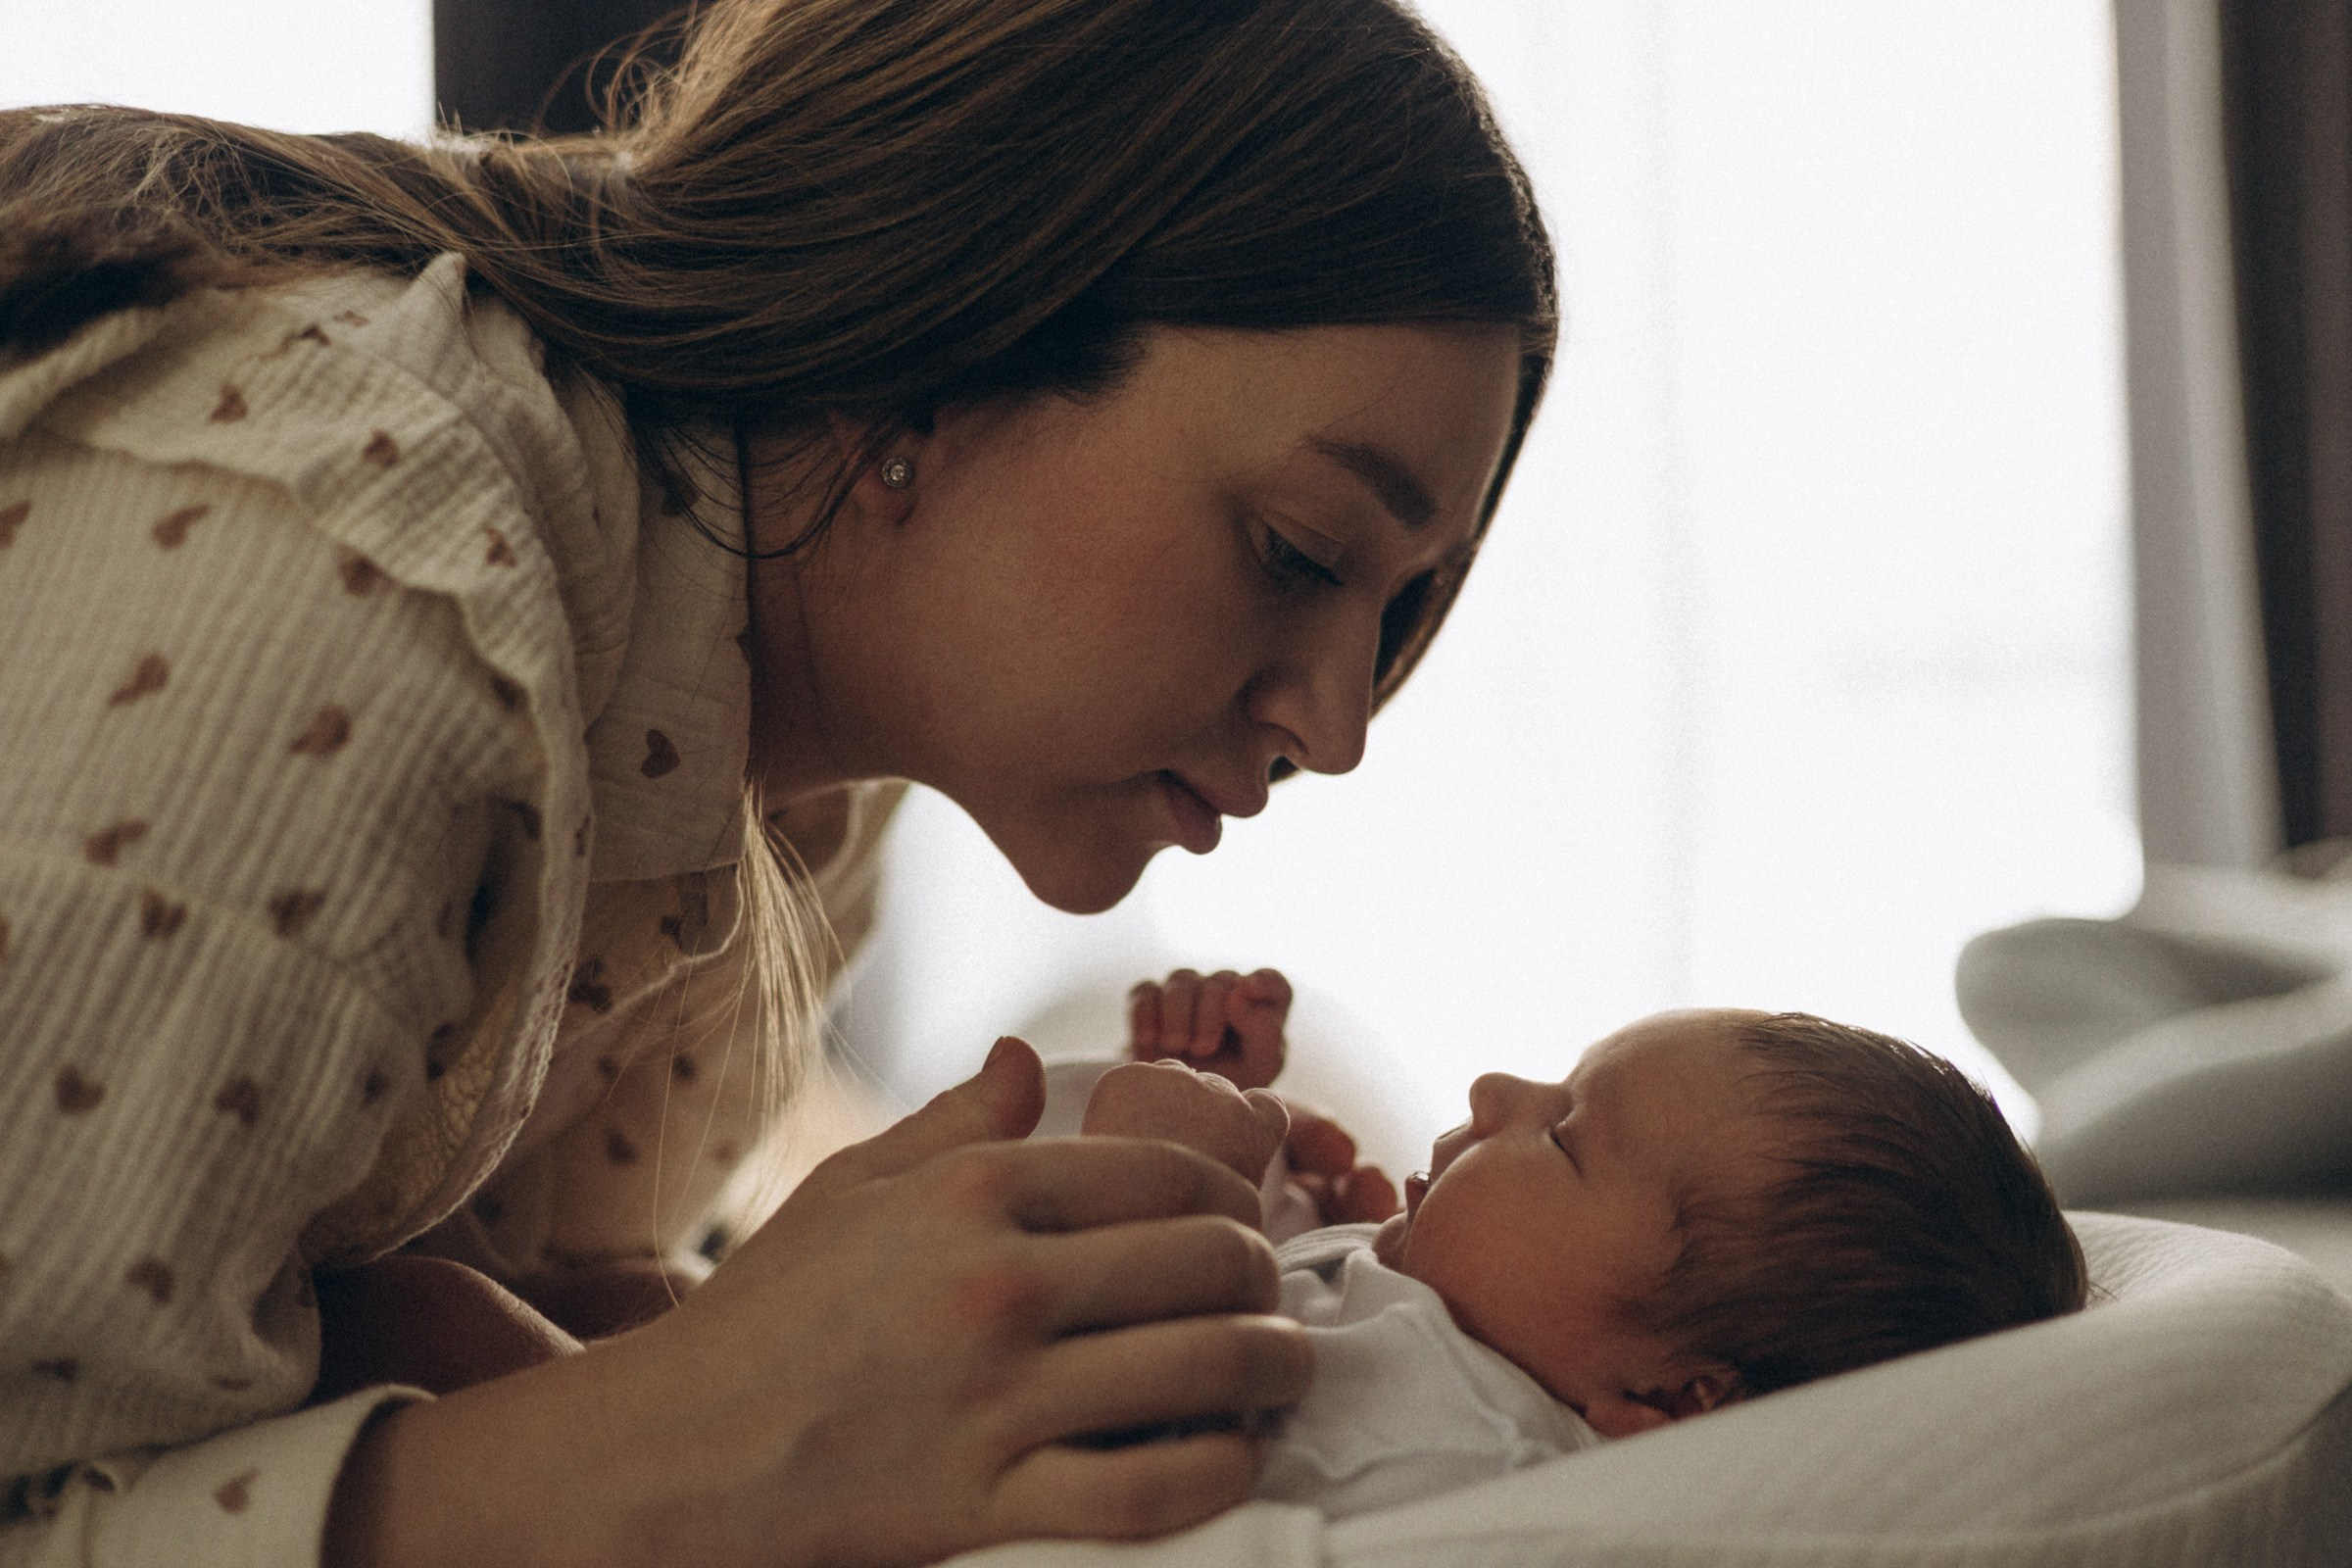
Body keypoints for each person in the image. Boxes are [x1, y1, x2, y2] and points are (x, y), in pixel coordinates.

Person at [0, 0, 1556, 1561]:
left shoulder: (802, 777)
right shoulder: (370, 575)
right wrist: (695, 1436)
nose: (1343, 723)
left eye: (1404, 606)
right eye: (1299, 549)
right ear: (955, 330)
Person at [1086, 976, 2090, 1518]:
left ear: (1669, 1396)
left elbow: (1127, 1448)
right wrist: (1271, 1190)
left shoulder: (1455, 1441)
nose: (1491, 1092)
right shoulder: (1446, 1332)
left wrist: (1162, 1170)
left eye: (1563, 1136)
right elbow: (1278, 1314)